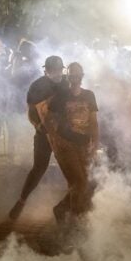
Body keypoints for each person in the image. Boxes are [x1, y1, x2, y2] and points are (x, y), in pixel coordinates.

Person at [7, 55, 67, 220]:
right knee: (39, 167)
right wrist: (38, 126)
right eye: (53, 70)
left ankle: (67, 205)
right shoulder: (38, 86)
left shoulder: (67, 82)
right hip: (44, 134)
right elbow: (32, 112)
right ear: (46, 70)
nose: (57, 73)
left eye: (60, 70)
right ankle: (21, 201)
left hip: (65, 133)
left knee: (71, 168)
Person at [44, 62, 99, 223]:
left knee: (81, 183)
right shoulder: (61, 95)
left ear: (82, 76)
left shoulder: (89, 95)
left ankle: (61, 209)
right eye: (72, 74)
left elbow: (94, 121)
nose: (75, 77)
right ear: (68, 76)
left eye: (77, 74)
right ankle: (76, 221)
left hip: (84, 144)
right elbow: (48, 119)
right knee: (80, 182)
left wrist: (95, 143)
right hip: (66, 145)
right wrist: (56, 139)